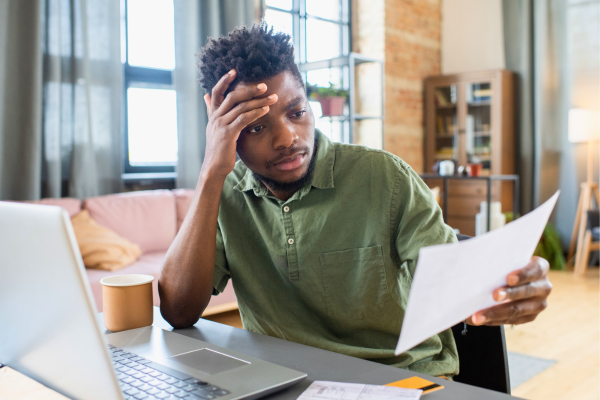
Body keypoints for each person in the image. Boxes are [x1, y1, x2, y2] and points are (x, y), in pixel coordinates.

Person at [159, 24, 552, 378]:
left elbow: (456, 284)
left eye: (297, 112)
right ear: (223, 130)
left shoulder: (385, 178)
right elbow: (177, 312)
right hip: (285, 380)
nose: (288, 138)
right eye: (257, 126)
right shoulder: (224, 193)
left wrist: (512, 287)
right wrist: (212, 173)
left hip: (402, 378)